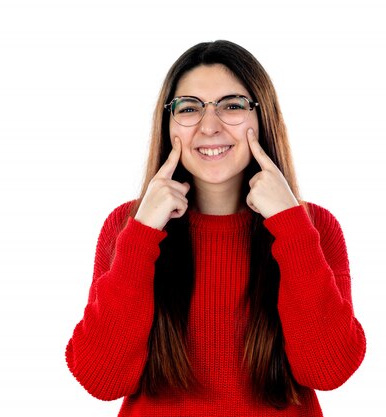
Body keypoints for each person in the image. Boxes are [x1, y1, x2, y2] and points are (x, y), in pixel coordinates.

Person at [65, 40, 366, 417]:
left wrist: (290, 226)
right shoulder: (127, 226)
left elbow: (329, 369)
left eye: (232, 106)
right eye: (189, 108)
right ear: (168, 124)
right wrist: (142, 234)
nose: (209, 126)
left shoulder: (313, 226)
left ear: (262, 118)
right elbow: (101, 379)